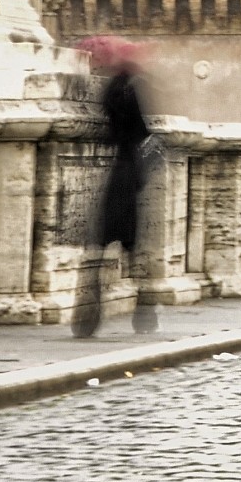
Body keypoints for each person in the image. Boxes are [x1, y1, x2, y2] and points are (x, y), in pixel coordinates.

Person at [74, 37, 157, 338]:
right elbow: (143, 130)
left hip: (120, 171)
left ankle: (92, 310)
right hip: (130, 171)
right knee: (130, 245)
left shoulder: (117, 89)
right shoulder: (135, 87)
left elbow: (116, 124)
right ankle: (143, 307)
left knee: (104, 241)